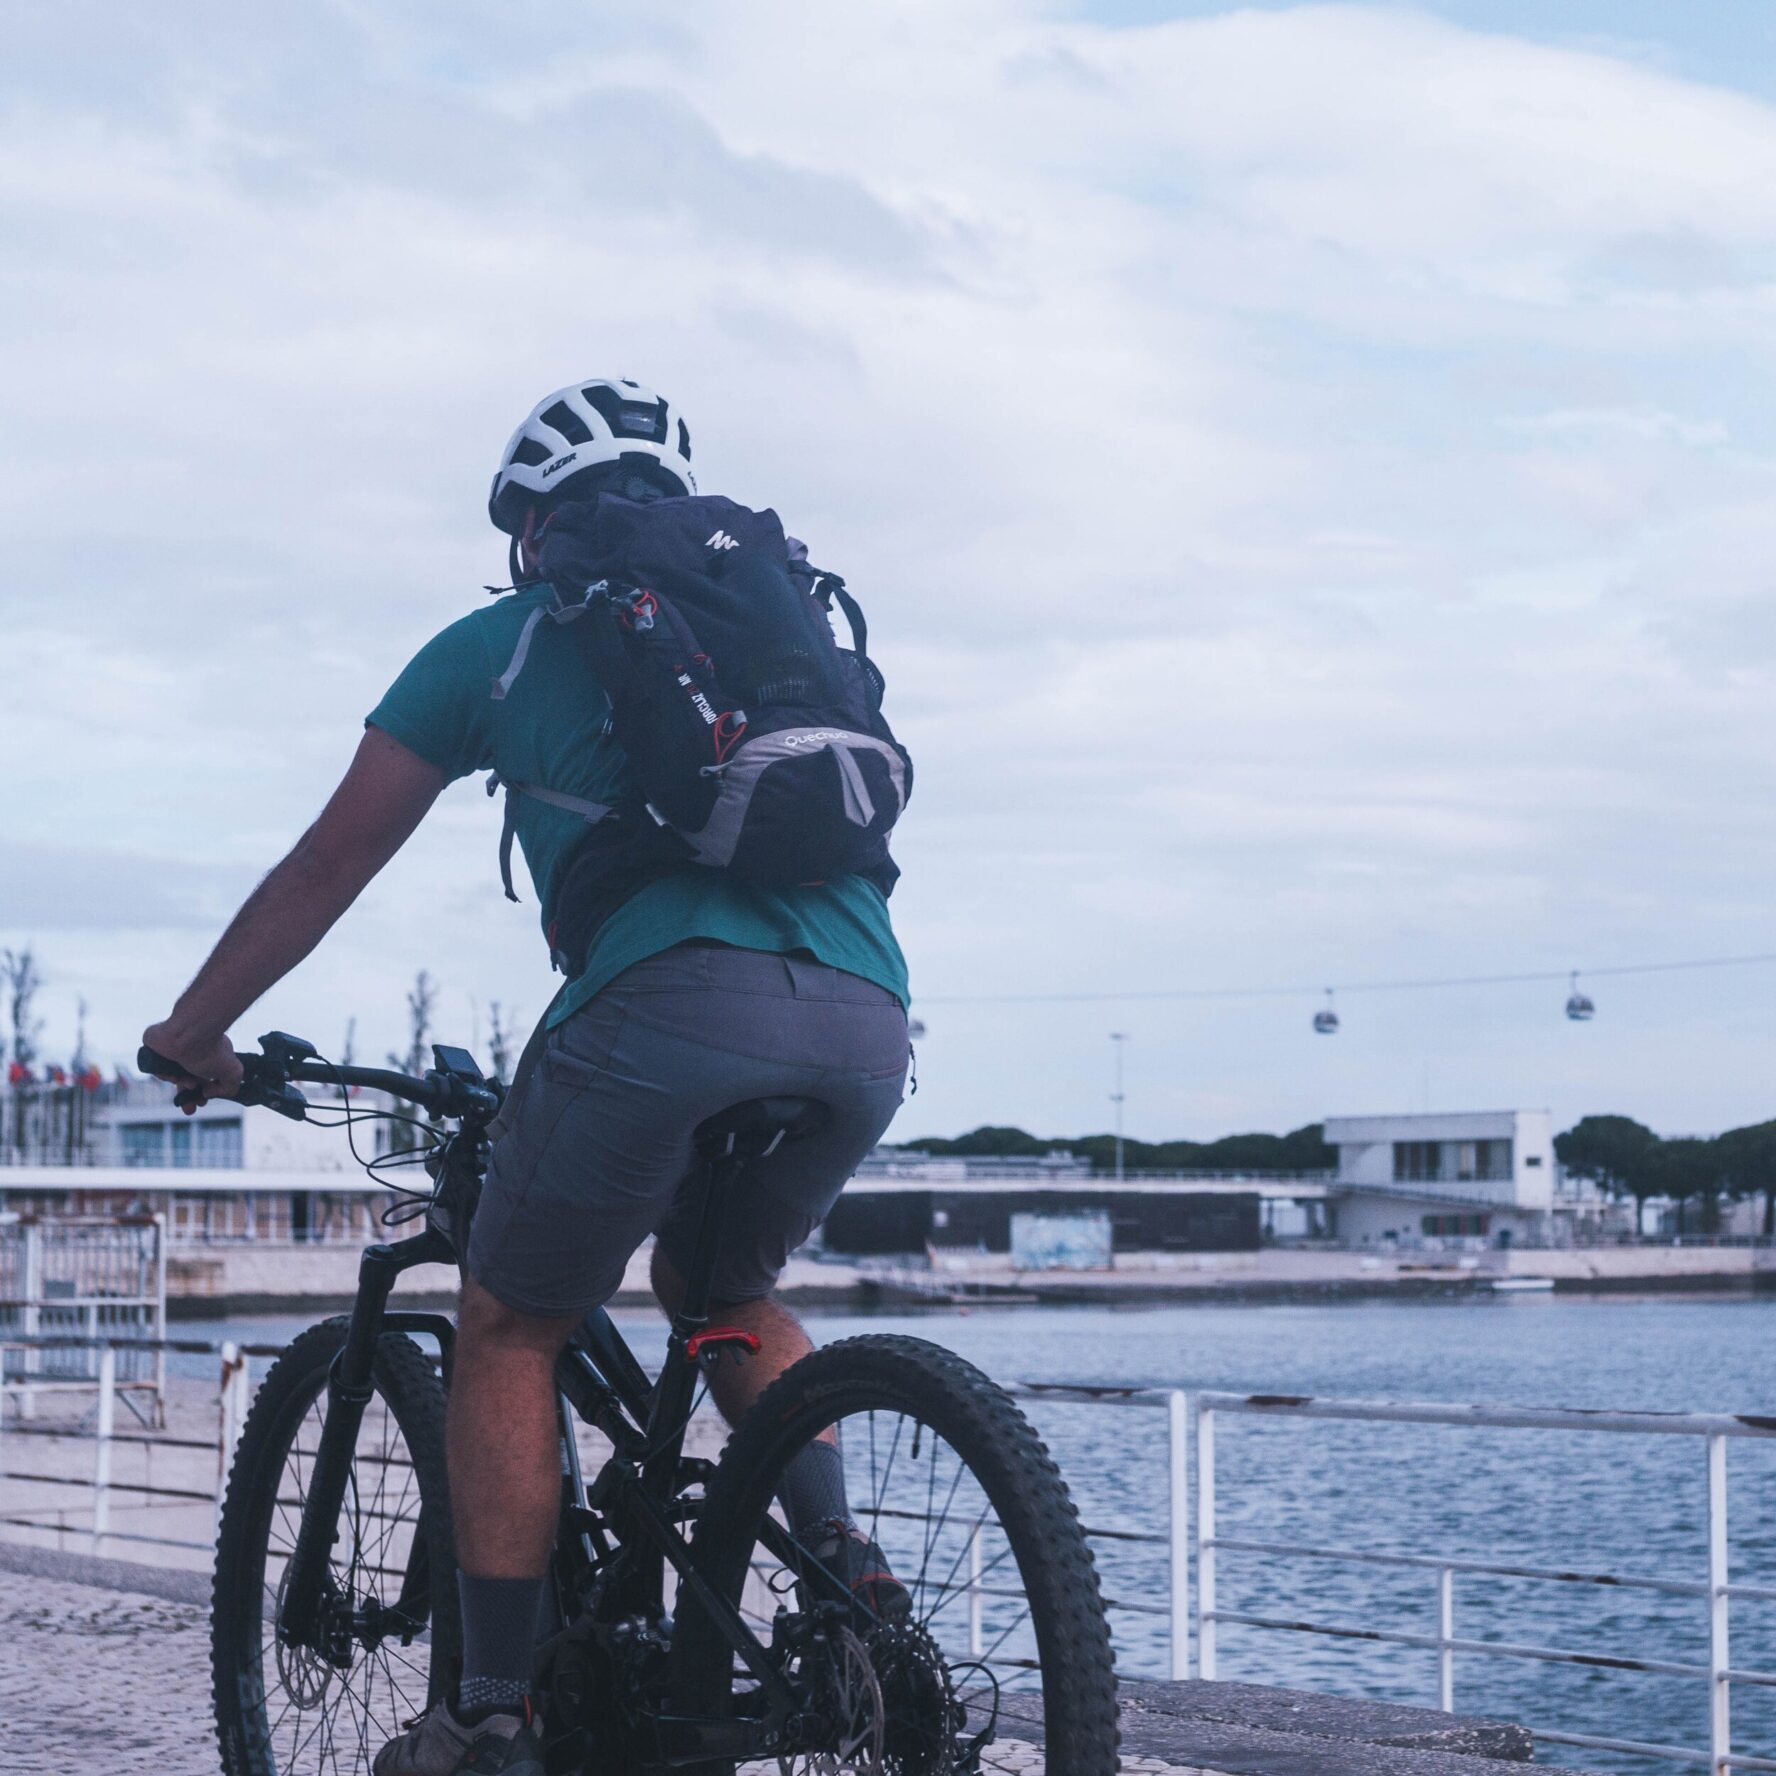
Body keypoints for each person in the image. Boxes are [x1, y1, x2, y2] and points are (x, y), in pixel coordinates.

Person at [142, 378, 911, 1776]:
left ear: (531, 531)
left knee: (509, 1319)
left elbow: (329, 863)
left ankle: (488, 1713)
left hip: (664, 1004)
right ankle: (852, 1587)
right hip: (867, 1012)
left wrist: (197, 1030)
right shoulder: (774, 635)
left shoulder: (499, 646)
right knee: (722, 1290)